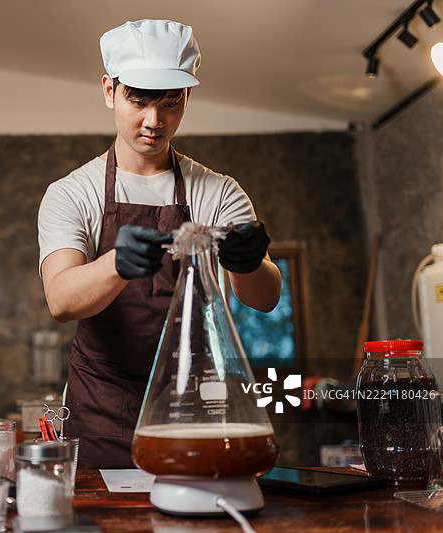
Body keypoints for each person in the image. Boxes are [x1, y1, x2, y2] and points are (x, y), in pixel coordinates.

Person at [37, 19, 282, 469]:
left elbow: (263, 299)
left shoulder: (219, 192)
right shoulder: (73, 193)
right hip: (102, 410)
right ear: (109, 90)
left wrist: (248, 263)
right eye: (139, 100)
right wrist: (117, 264)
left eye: (171, 103)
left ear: (188, 99)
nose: (155, 121)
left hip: (196, 404)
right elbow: (61, 299)